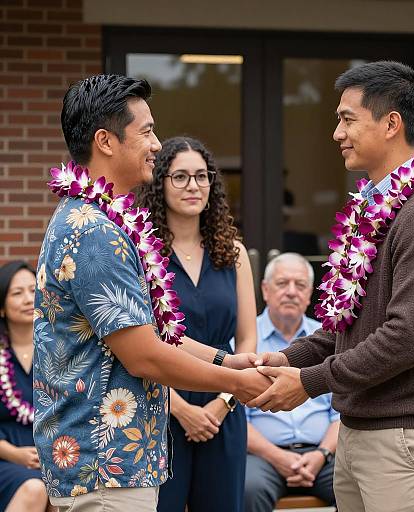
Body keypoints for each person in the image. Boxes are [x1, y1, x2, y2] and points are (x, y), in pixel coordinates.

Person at [33, 74, 270, 512]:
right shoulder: (94, 233)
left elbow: (153, 334)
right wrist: (239, 383)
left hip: (117, 461)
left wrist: (225, 358)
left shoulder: (94, 220)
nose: (157, 144)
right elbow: (144, 355)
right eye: (146, 131)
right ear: (106, 141)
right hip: (105, 464)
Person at [246, 61, 414, 512]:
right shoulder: (375, 208)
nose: (336, 133)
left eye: (347, 119)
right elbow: (344, 328)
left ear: (391, 124)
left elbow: (404, 339)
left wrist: (308, 383)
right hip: (361, 431)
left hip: (407, 441)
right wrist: (285, 359)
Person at [137, 136, 257, 512]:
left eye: (202, 176)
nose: (193, 186)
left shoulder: (233, 252)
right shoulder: (142, 254)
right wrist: (183, 410)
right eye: (181, 177)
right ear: (161, 183)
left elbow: (248, 338)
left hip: (225, 409)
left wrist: (223, 402)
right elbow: (141, 342)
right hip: (163, 406)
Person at [244, 253, 338, 512]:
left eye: (300, 285)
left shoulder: (330, 339)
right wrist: (278, 457)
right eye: (282, 283)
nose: (291, 292)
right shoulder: (245, 341)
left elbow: (340, 414)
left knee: (358, 483)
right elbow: (236, 418)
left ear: (310, 294)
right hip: (263, 457)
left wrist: (322, 455)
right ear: (265, 290)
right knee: (247, 489)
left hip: (323, 455)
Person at [0, 261, 55, 512]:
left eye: (33, 291)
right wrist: (15, 454)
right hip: (6, 456)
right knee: (35, 487)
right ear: (2, 306)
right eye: (17, 293)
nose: (27, 299)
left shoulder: (56, 351)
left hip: (57, 454)